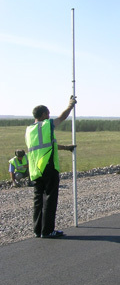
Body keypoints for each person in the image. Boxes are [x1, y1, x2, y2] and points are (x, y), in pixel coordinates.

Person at [25, 96, 77, 238]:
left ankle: (38, 230)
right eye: (47, 113)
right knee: (49, 199)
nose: (49, 116)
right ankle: (48, 230)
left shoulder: (29, 130)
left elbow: (47, 145)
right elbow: (62, 117)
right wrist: (70, 106)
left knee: (38, 201)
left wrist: (66, 148)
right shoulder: (46, 125)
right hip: (48, 167)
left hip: (35, 170)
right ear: (43, 115)